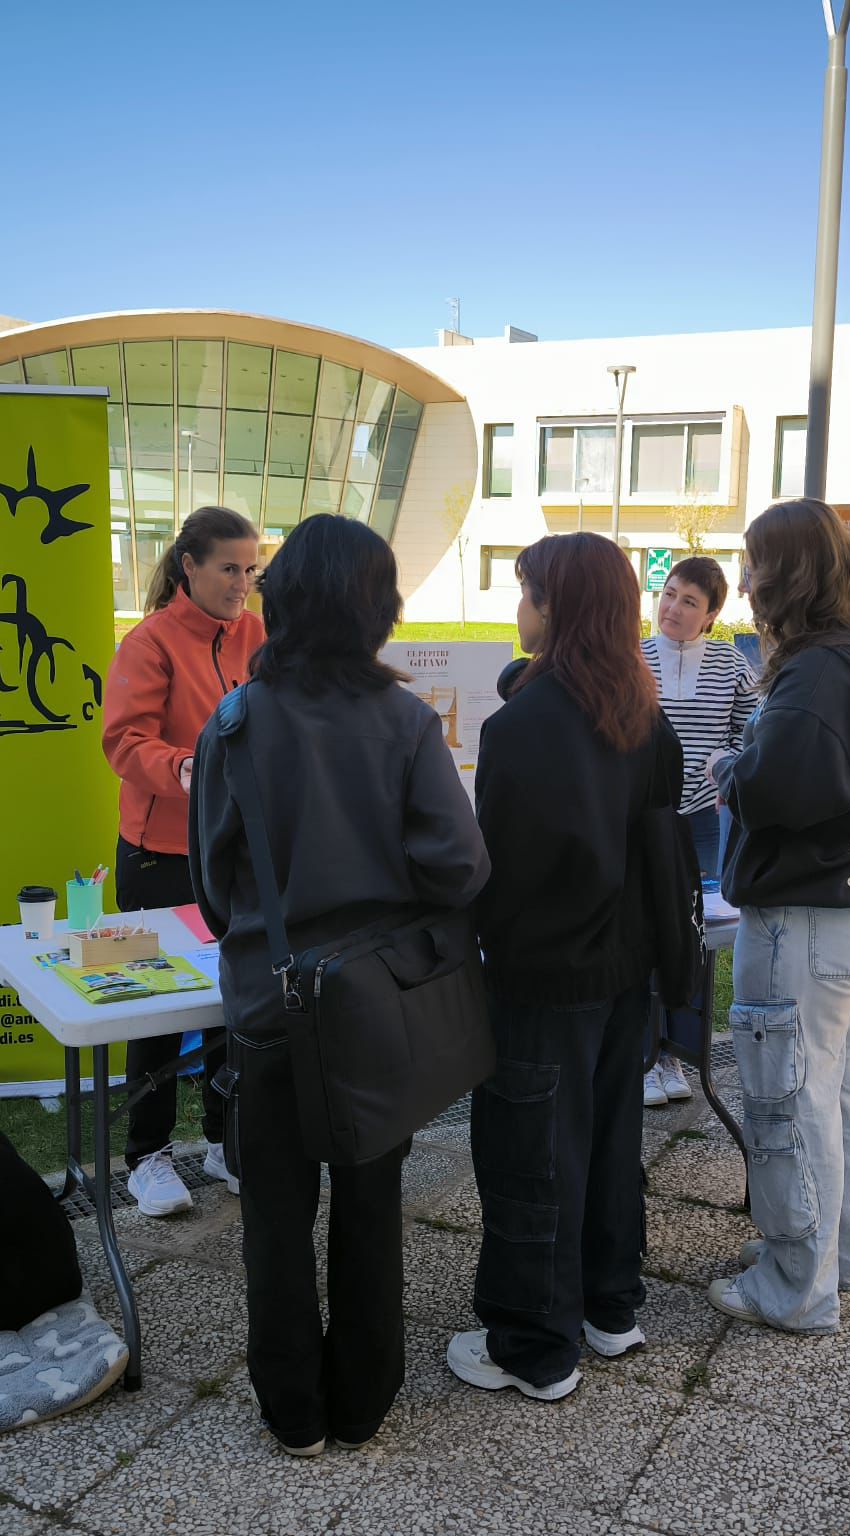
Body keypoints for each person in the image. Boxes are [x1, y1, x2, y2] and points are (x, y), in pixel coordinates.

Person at [189, 515, 489, 1455]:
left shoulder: (232, 720)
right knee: (372, 1201)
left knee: (273, 1215)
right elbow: (460, 864)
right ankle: (362, 1401)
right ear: (377, 608)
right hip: (372, 1001)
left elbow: (209, 878)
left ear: (282, 603)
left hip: (265, 1002)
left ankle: (292, 1411)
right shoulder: (404, 719)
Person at [451, 532, 681, 1401]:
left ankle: (532, 1344)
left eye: (527, 594)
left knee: (532, 1155)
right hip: (630, 969)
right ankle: (608, 1306)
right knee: (611, 1142)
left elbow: (499, 865)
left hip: (546, 975)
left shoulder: (522, 726)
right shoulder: (642, 708)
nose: (520, 611)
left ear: (558, 608)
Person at [705, 499, 850, 1333]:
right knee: (836, 1089)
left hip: (811, 905)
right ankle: (836, 1256)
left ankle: (795, 1285)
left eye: (752, 561)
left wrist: (734, 764)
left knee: (792, 1099)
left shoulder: (816, 669)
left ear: (783, 572)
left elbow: (784, 789)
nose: (743, 580)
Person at [101, 505, 263, 1217]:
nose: (242, 583)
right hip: (159, 855)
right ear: (189, 566)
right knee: (157, 1010)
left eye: (251, 569)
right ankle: (148, 1157)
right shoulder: (150, 643)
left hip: (236, 855)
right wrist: (189, 770)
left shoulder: (257, 634)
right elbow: (124, 743)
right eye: (229, 568)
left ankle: (229, 1139)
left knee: (237, 1003)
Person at [639, 555, 757, 1108]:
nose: (673, 609)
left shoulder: (733, 666)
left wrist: (722, 763)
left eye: (690, 601)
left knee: (694, 936)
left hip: (703, 820)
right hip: (642, 818)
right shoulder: (632, 657)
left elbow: (750, 737)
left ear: (711, 615)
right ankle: (645, 1052)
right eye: (668, 594)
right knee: (643, 931)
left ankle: (681, 1052)